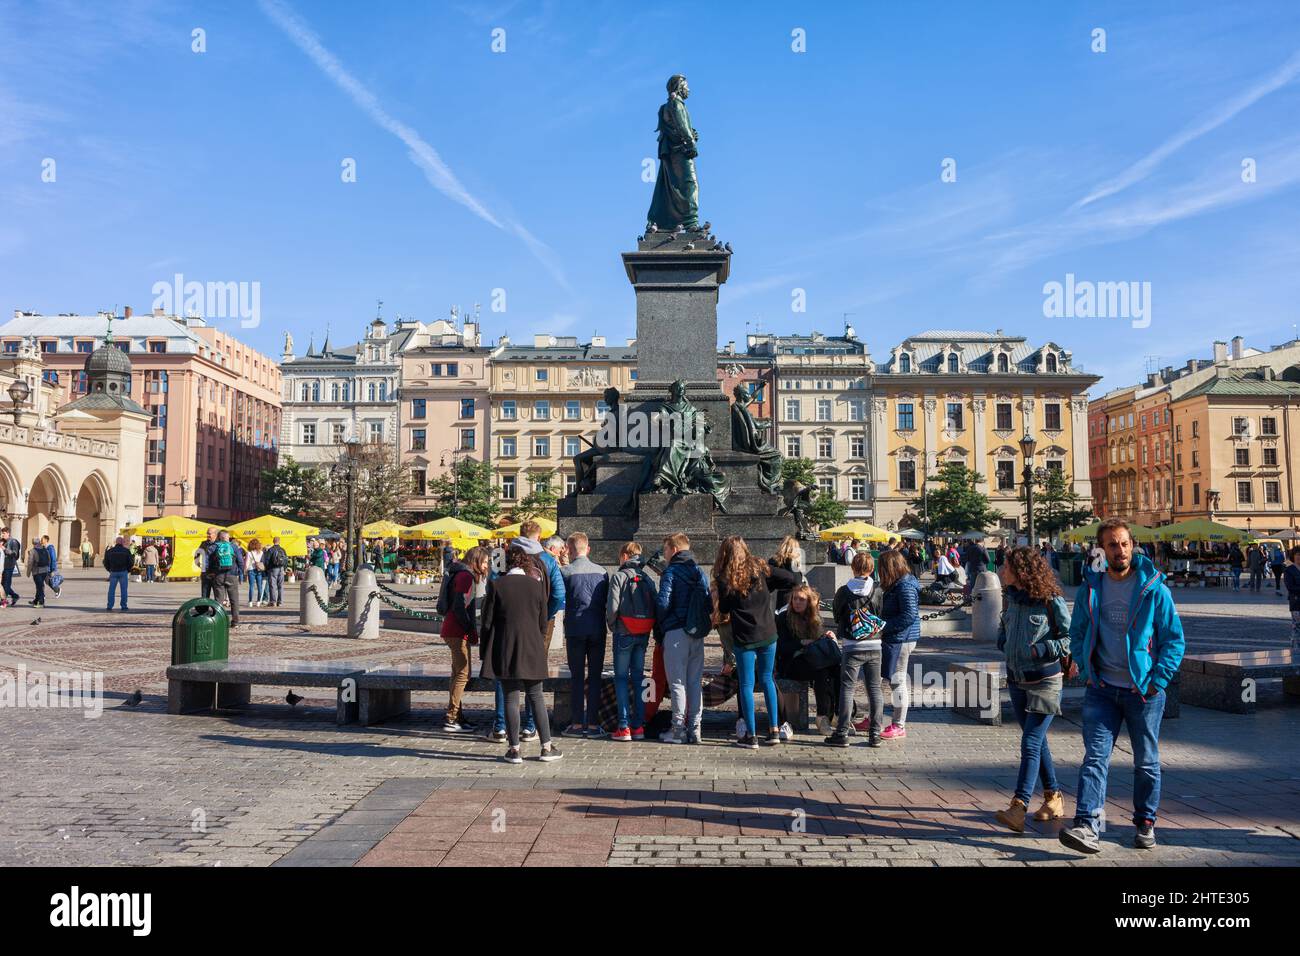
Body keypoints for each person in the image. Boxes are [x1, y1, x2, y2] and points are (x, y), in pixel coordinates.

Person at [1059, 518, 1185, 855]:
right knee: (1095, 758)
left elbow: (1174, 640)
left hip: (1142, 693)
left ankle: (1145, 822)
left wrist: (1158, 680)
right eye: (1113, 545)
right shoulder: (1091, 589)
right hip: (1101, 689)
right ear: (1102, 549)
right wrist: (1086, 668)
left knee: (1145, 761)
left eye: (1125, 543)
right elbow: (1078, 633)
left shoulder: (1154, 588)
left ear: (1133, 545)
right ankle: (1087, 824)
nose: (1120, 550)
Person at [993, 546, 1071, 832]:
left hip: (1046, 680)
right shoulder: (1011, 599)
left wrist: (1042, 648)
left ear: (1020, 571)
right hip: (1017, 678)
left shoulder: (1050, 601)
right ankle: (1054, 797)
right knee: (1037, 741)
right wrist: (1003, 640)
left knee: (1030, 741)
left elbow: (1069, 639)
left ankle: (1019, 806)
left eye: (1005, 566)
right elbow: (1006, 628)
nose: (1001, 571)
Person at [479, 545, 563, 764]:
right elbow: (543, 621)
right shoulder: (536, 586)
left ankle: (514, 749)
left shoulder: (497, 585)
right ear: (525, 562)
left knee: (510, 697)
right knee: (536, 696)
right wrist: (537, 638)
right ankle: (546, 747)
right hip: (533, 647)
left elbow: (486, 622)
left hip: (506, 646)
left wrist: (485, 650)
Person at [714, 535, 797, 748]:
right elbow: (791, 579)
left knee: (746, 684)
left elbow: (723, 608)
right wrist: (767, 589)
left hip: (744, 637)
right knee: (768, 679)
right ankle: (774, 730)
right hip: (768, 634)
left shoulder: (725, 578)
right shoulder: (760, 568)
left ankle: (750, 736)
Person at [655, 531, 711, 744]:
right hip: (696, 633)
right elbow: (707, 602)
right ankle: (695, 728)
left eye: (666, 550)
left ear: (674, 549)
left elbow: (663, 603)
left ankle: (678, 729)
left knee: (677, 682)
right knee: (694, 682)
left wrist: (662, 623)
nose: (664, 554)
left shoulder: (672, 571)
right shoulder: (698, 571)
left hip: (676, 632)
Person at [826, 551, 884, 748]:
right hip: (875, 644)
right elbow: (880, 614)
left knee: (847, 688)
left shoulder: (843, 591)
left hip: (852, 645)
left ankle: (842, 732)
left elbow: (836, 615)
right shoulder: (877, 590)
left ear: (853, 567)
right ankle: (875, 733)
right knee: (875, 689)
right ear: (871, 568)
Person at [606, 541, 658, 741]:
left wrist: (613, 626)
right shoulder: (647, 577)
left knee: (620, 678)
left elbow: (612, 607)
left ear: (625, 556)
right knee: (638, 678)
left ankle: (623, 726)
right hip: (643, 632)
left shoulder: (619, 576)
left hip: (624, 631)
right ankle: (638, 726)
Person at [560, 532, 609, 738]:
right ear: (588, 549)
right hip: (597, 627)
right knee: (596, 676)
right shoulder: (603, 572)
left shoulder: (565, 572)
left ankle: (578, 723)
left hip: (575, 628)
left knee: (577, 675)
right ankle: (594, 723)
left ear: (570, 550)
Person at [775, 583, 841, 737]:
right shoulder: (784, 617)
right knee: (821, 671)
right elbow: (781, 648)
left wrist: (826, 636)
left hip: (812, 660)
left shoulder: (814, 618)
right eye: (795, 599)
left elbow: (817, 643)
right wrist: (801, 643)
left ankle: (835, 713)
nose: (797, 602)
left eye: (801, 600)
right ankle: (822, 717)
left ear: (809, 602)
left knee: (836, 668)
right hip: (791, 663)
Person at [440, 546, 489, 733]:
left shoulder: (461, 573)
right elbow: (461, 606)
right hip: (457, 630)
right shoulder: (466, 576)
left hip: (454, 629)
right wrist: (471, 630)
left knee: (457, 673)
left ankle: (457, 716)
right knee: (463, 673)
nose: (486, 566)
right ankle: (451, 718)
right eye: (484, 562)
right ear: (476, 561)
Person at [878, 549, 920, 740]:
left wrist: (884, 626)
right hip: (896, 637)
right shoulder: (899, 584)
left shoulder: (904, 586)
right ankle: (875, 719)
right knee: (881, 680)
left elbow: (909, 615)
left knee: (898, 681)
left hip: (902, 638)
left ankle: (898, 725)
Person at [208, 530, 242, 627]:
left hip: (218, 576)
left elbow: (208, 560)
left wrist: (210, 572)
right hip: (232, 576)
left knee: (219, 600)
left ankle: (219, 622)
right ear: (227, 538)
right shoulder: (234, 546)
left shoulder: (214, 547)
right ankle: (235, 622)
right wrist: (240, 573)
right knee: (234, 600)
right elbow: (240, 561)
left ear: (219, 537)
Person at [768, 535, 804, 610]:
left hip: (776, 599)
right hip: (791, 600)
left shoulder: (773, 561)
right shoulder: (793, 563)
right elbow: (797, 582)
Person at [103, 535, 134, 611]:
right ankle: (123, 605)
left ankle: (110, 605)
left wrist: (109, 569)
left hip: (113, 572)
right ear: (122, 542)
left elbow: (105, 562)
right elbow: (131, 562)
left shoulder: (110, 551)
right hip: (123, 571)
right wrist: (128, 570)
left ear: (116, 542)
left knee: (111, 590)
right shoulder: (126, 551)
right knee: (124, 590)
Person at [26, 536, 51, 607]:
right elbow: (49, 559)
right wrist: (47, 568)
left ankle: (41, 602)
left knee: (39, 587)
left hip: (37, 571)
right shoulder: (45, 549)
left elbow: (30, 563)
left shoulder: (32, 551)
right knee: (39, 586)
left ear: (33, 543)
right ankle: (36, 600)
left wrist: (28, 572)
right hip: (45, 570)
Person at [263, 536, 288, 607]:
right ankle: (280, 602)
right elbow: (286, 560)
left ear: (273, 541)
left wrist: (267, 569)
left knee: (272, 585)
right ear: (279, 541)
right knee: (280, 586)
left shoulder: (271, 550)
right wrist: (284, 569)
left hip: (273, 569)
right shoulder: (282, 549)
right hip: (281, 568)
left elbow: (267, 560)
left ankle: (273, 601)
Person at [195, 527, 219, 598]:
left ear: (215, 534)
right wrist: (198, 564)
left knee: (218, 595)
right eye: (207, 533)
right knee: (205, 595)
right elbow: (196, 555)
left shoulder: (219, 544)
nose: (207, 535)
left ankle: (216, 609)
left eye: (209, 533)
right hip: (206, 572)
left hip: (216, 573)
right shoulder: (204, 543)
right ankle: (204, 609)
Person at [1284, 547, 1300, 654]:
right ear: (1293, 556)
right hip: (1296, 602)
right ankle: (1295, 650)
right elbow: (1290, 587)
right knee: (1297, 627)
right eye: (1297, 555)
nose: (1299, 557)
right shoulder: (1289, 570)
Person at [0, 528, 20, 607]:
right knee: (2, 584)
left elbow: (14, 554)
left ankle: (3, 601)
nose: (2, 535)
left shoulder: (13, 541)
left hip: (9, 566)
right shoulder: (3, 541)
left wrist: (4, 549)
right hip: (2, 566)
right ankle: (15, 596)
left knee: (6, 584)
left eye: (4, 533)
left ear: (8, 533)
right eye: (2, 533)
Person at [245, 539, 266, 607]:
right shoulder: (261, 552)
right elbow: (263, 561)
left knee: (251, 586)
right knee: (259, 587)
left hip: (251, 570)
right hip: (259, 570)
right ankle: (258, 602)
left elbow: (247, 563)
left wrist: (245, 569)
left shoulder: (249, 553)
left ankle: (250, 602)